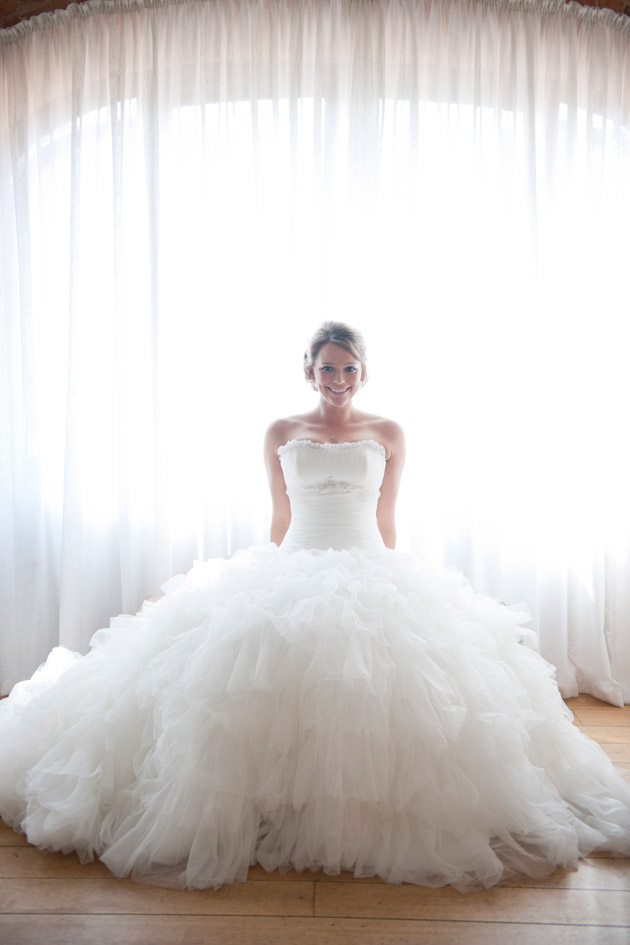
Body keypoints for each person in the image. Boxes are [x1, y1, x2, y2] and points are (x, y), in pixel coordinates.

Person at [0, 321, 628, 893]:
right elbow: (280, 515)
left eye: (348, 369)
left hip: (366, 564)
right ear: (309, 372)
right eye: (326, 369)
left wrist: (393, 585)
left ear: (363, 374)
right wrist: (266, 580)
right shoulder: (281, 431)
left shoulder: (388, 432)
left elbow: (387, 519)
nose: (337, 380)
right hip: (296, 559)